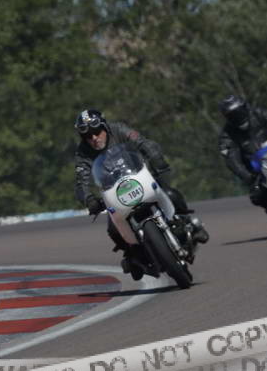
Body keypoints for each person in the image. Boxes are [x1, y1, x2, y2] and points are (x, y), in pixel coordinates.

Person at [73, 108, 207, 280]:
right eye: (87, 136)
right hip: (115, 194)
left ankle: (189, 225)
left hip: (140, 178)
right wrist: (89, 199)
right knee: (113, 230)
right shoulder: (82, 153)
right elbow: (81, 181)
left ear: (104, 127)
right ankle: (135, 256)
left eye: (96, 132)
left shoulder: (119, 129)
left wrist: (156, 158)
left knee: (171, 194)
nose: (93, 138)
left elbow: (143, 142)